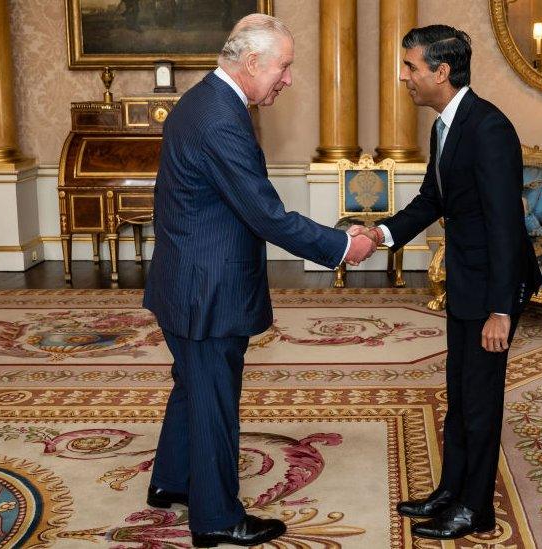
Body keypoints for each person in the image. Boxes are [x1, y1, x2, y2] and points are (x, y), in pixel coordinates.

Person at [142, 14, 376, 547]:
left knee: (192, 386)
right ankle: (218, 518)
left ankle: (173, 482)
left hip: (185, 279)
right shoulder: (220, 118)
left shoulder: (203, 99)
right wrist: (343, 246)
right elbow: (267, 215)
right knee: (214, 400)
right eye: (284, 67)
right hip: (207, 290)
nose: (288, 79)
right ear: (251, 64)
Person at [352, 24, 542, 540]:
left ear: (441, 71)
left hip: (492, 291)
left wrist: (502, 309)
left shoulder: (489, 128)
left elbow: (506, 223)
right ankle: (450, 491)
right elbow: (433, 200)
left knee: (480, 403)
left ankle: (474, 509)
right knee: (460, 394)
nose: (404, 76)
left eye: (411, 67)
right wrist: (383, 232)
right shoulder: (445, 126)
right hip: (466, 281)